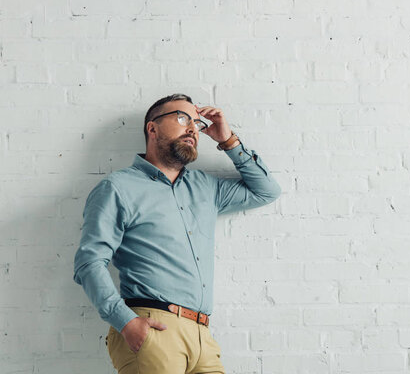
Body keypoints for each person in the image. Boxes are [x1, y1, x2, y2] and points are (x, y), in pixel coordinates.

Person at [73, 94, 281, 373]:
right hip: (152, 327)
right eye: (182, 118)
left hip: (202, 335)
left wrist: (228, 140)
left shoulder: (206, 188)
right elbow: (89, 262)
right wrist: (125, 321)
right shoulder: (118, 188)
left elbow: (266, 191)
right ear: (152, 128)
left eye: (196, 122)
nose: (192, 128)